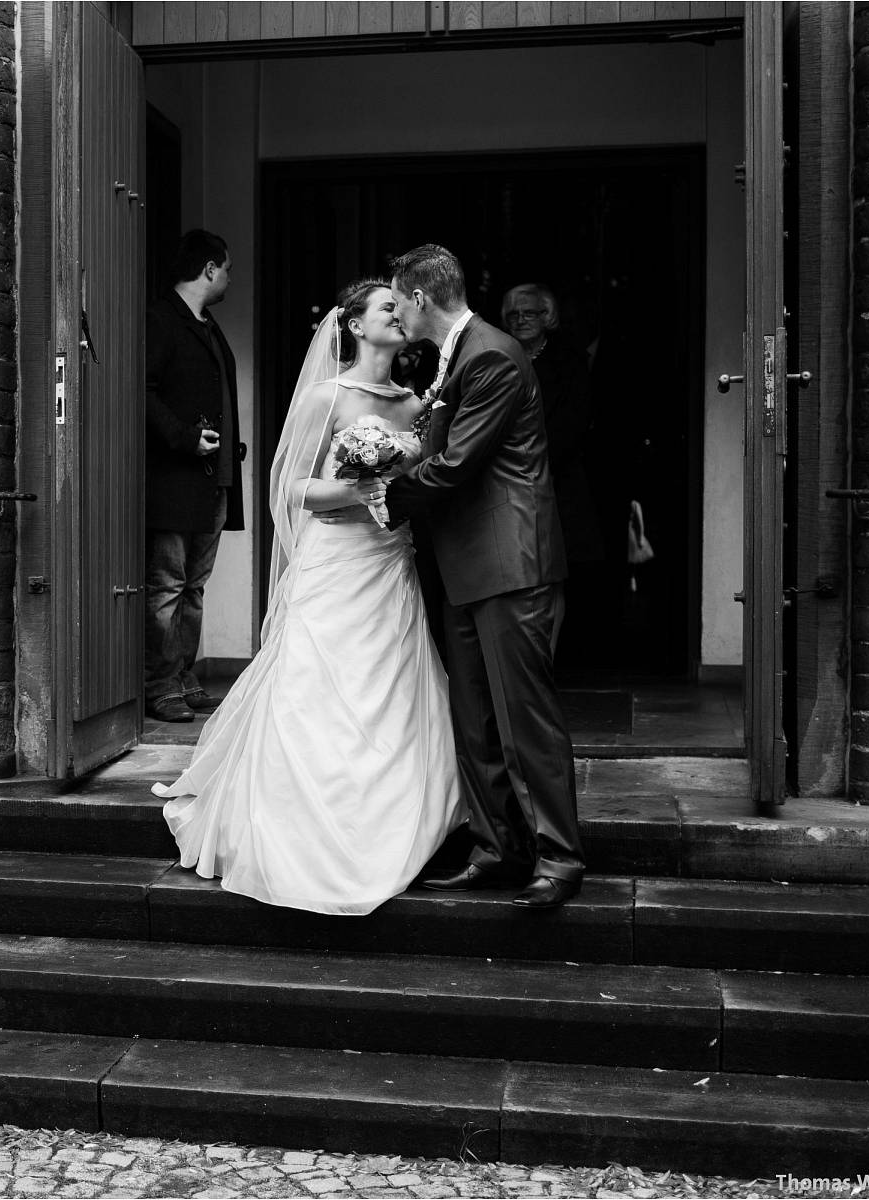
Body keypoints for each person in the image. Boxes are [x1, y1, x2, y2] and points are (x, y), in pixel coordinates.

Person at [153, 280, 462, 915]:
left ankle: (397, 813)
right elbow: (291, 485)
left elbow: (425, 479)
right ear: (352, 325)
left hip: (390, 562)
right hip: (339, 562)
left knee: (395, 682)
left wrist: (397, 485)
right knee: (317, 686)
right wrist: (359, 491)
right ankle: (304, 820)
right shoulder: (328, 396)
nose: (399, 316)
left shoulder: (415, 404)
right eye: (385, 308)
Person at [385, 246, 585, 909]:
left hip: (508, 563)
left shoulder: (492, 354)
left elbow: (456, 463)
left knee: (524, 720)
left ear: (421, 298)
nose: (396, 311)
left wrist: (384, 497)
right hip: (464, 566)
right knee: (474, 722)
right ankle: (498, 849)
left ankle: (558, 858)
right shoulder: (456, 356)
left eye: (398, 299)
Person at [144, 229, 245, 723]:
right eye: (226, 269)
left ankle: (184, 677)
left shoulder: (208, 324)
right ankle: (160, 685)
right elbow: (142, 392)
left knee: (194, 587)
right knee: (167, 585)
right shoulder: (161, 319)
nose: (229, 278)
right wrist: (184, 438)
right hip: (175, 478)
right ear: (209, 269)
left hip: (214, 480)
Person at [501, 283, 606, 675]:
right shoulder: (498, 355)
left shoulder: (569, 360)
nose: (520, 320)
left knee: (551, 575)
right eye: (512, 314)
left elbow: (575, 422)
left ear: (548, 317)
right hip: (505, 482)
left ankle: (545, 662)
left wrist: (528, 461)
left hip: (556, 481)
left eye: (528, 313)